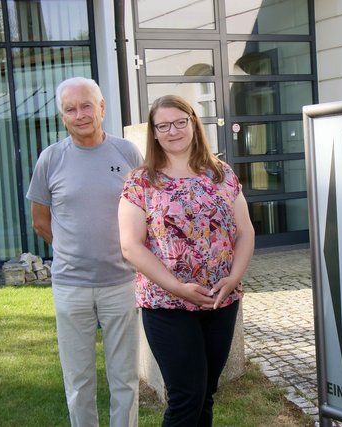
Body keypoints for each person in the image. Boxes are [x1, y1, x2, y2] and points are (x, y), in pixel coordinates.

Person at [118, 94, 255, 427]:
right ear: (153, 133)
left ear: (194, 123)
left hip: (220, 302)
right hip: (166, 304)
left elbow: (246, 232)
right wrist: (179, 288)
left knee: (206, 393)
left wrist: (234, 278)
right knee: (186, 397)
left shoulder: (221, 174)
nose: (173, 131)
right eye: (163, 125)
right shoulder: (141, 181)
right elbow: (131, 247)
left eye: (180, 122)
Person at [26, 77, 142, 427]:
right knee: (78, 382)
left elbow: (145, 211)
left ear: (102, 107)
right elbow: (40, 221)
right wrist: (71, 251)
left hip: (121, 283)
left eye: (86, 105)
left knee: (124, 380)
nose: (80, 114)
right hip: (71, 287)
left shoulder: (128, 153)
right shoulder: (51, 159)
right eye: (70, 109)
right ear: (62, 117)